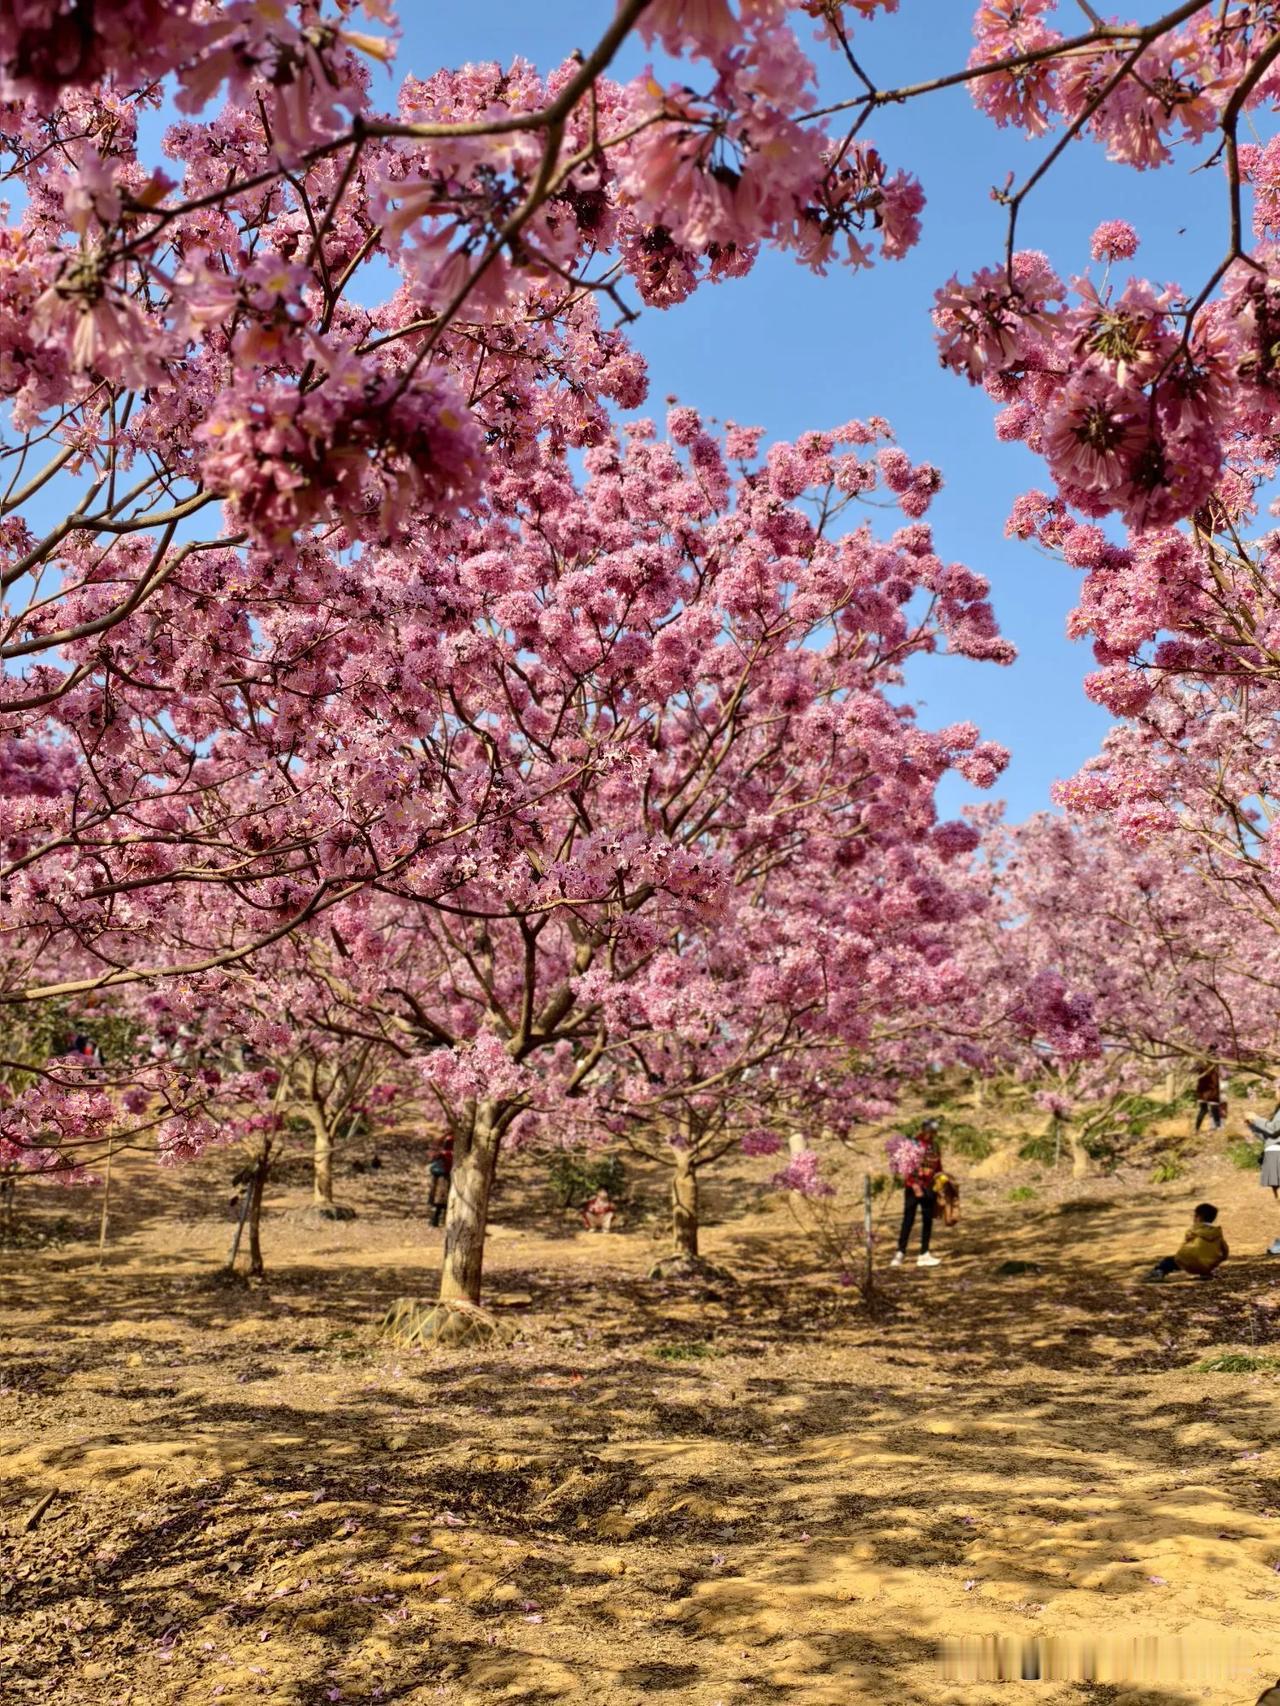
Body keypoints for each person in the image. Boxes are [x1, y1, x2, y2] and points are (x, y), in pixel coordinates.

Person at [891, 1118, 944, 1269]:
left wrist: (941, 1182)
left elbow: (938, 1167)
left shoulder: (934, 1146)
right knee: (908, 1219)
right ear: (923, 1130)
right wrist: (914, 1185)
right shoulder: (913, 1144)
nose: (931, 1134)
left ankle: (924, 1253)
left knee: (928, 1220)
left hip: (929, 1187)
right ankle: (900, 1252)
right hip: (913, 1187)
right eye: (929, 1131)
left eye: (933, 1132)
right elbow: (906, 1166)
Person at [1142, 1202, 1228, 1282]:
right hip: (1208, 1266)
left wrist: (1180, 1257)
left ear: (1198, 1217)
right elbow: (1225, 1250)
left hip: (1189, 1264)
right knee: (1205, 1255)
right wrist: (1217, 1261)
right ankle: (1206, 1274)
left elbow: (1186, 1246)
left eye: (1194, 1216)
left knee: (1169, 1261)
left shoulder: (1193, 1230)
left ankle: (1158, 1273)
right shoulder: (1217, 1233)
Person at [427, 1139, 453, 1228]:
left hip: (441, 1177)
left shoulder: (444, 1154)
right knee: (441, 1199)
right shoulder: (446, 1154)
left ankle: (436, 1219)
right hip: (443, 1177)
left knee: (439, 1199)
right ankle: (438, 1219)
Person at [1194, 1060, 1224, 1131]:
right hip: (1212, 1090)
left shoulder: (1200, 1064)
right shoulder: (1215, 1064)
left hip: (1202, 1091)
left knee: (1203, 1110)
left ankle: (1196, 1129)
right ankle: (1218, 1126)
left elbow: (1192, 1070)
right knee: (1214, 1109)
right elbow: (1223, 1075)